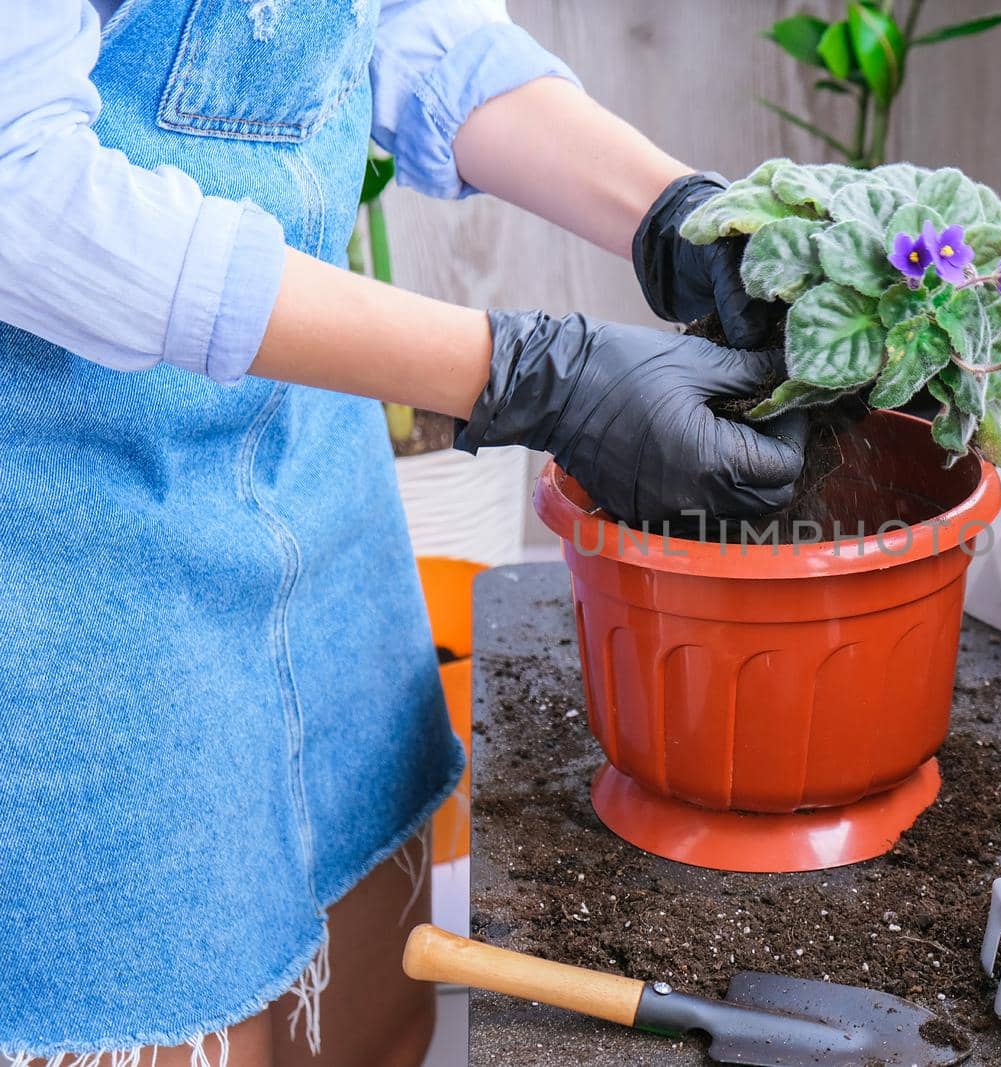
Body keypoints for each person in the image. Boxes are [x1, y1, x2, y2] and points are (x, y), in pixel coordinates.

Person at [0, 2, 803, 1063]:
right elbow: (23, 192)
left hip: (307, 459)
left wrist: (675, 216)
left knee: (374, 1014)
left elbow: (407, 24)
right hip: (67, 553)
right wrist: (523, 375)